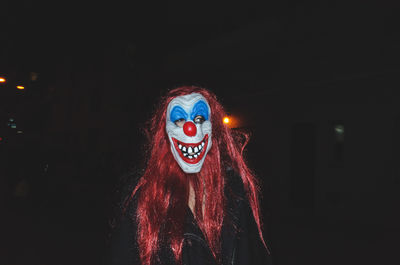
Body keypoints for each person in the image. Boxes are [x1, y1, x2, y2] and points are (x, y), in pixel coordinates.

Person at [109, 86, 273, 265]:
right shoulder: (141, 196)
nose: (190, 128)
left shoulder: (235, 190)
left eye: (199, 118)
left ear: (214, 130)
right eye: (179, 120)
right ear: (164, 133)